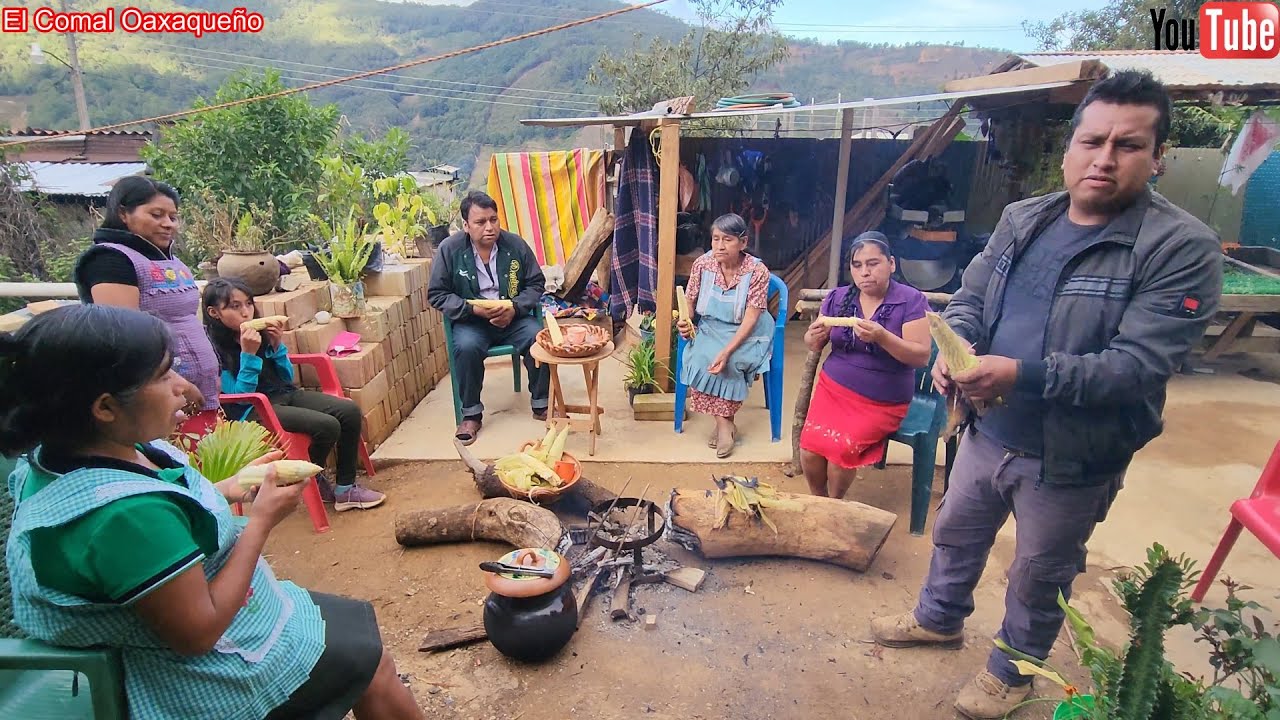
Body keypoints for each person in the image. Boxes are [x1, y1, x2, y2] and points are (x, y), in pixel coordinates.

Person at [870, 70, 1223, 720]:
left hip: (1072, 456)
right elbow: (971, 299)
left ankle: (1012, 673)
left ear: (1158, 157)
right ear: (1069, 149)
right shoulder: (1023, 218)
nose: (1105, 157)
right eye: (1092, 141)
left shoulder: (1179, 248)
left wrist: (1018, 375)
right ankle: (938, 619)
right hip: (987, 432)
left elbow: (1137, 367)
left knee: (1039, 573)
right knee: (955, 533)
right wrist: (957, 355)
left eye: (1129, 144)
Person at [0, 305, 424, 720]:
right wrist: (259, 524)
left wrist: (230, 487)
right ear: (106, 408)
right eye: (163, 376)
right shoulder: (122, 518)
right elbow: (198, 634)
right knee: (370, 663)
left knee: (357, 639)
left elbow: (169, 511)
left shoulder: (74, 451)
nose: (183, 387)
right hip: (193, 670)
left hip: (204, 613)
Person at [202, 278, 384, 512]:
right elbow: (240, 396)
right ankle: (311, 478)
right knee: (327, 426)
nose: (246, 312)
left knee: (349, 411)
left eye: (248, 303)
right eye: (235, 306)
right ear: (214, 312)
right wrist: (248, 354)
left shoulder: (260, 333)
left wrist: (277, 346)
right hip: (253, 410)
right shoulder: (213, 351)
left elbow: (286, 377)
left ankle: (345, 488)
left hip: (283, 394)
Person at [799, 232, 931, 499]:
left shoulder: (911, 300)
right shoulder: (838, 298)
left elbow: (921, 357)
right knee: (809, 448)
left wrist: (882, 337)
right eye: (857, 265)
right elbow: (814, 343)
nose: (865, 272)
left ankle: (835, 505)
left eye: (873, 264)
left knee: (840, 451)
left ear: (891, 264)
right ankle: (818, 500)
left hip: (882, 400)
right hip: (833, 390)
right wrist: (811, 338)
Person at [73, 176, 219, 416]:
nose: (168, 224)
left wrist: (211, 373)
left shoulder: (171, 260)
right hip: (159, 399)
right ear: (123, 213)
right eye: (156, 214)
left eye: (173, 217)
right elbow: (127, 338)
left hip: (200, 394)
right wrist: (176, 382)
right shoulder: (110, 261)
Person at [427, 190, 548, 446]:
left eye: (493, 219)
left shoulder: (515, 245)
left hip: (513, 318)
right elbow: (437, 294)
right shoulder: (450, 250)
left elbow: (536, 283)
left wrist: (515, 308)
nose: (489, 227)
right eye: (481, 222)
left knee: (538, 339)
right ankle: (470, 415)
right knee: (467, 347)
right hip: (472, 321)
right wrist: (473, 310)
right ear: (466, 225)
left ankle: (542, 404)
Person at [675, 213, 775, 458]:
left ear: (742, 242)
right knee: (699, 359)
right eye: (715, 239)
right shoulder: (702, 264)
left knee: (729, 361)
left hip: (750, 331)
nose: (719, 246)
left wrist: (728, 349)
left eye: (727, 240)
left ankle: (723, 426)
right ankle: (725, 424)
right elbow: (689, 300)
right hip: (712, 326)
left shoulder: (757, 271)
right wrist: (684, 321)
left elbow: (752, 316)